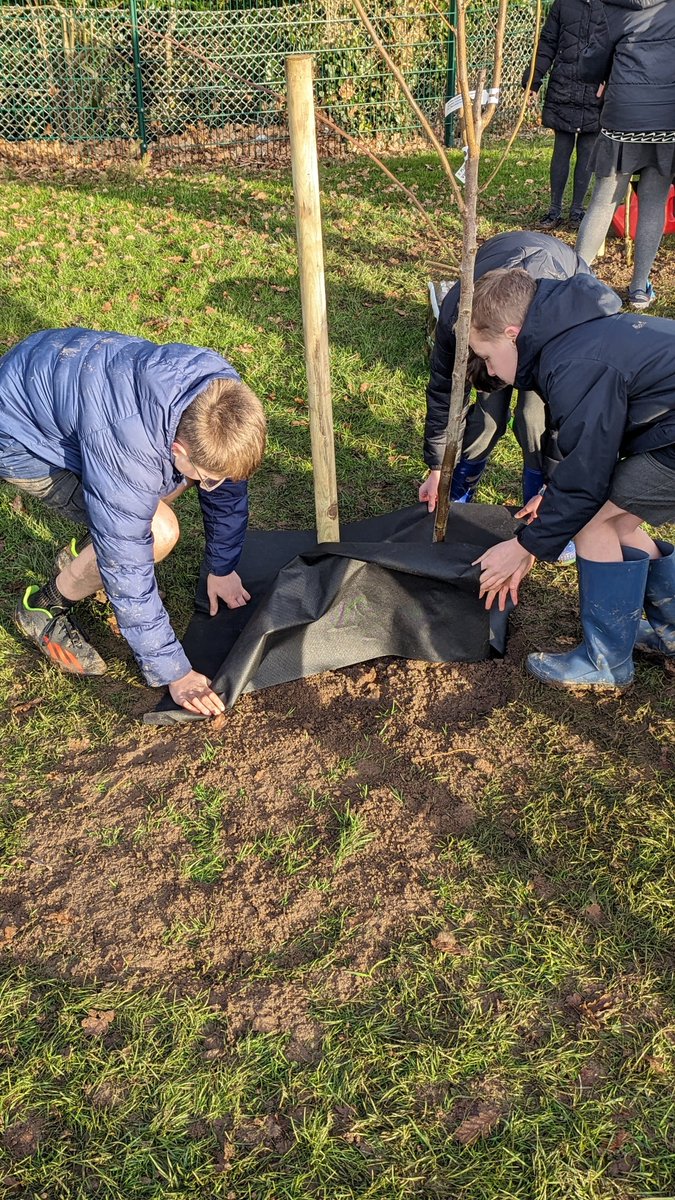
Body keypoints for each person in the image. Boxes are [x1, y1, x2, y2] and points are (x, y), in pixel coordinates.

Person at [0, 327, 266, 717]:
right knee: (156, 533)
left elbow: (226, 480)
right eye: (209, 479)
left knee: (157, 494)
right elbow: (127, 562)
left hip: (57, 369)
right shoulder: (129, 454)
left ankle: (89, 552)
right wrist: (174, 671)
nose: (214, 487)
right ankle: (42, 605)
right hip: (19, 434)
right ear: (178, 448)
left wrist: (222, 567)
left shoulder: (217, 394)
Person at [468, 267, 675, 690]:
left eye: (486, 357)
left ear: (511, 333)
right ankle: (671, 632)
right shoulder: (579, 335)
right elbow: (584, 440)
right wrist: (552, 487)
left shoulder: (574, 361)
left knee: (594, 520)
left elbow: (586, 483)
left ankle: (606, 663)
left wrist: (525, 546)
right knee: (618, 518)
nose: (489, 370)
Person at [420, 231, 592, 565]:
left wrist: (553, 491)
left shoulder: (561, 335)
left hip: (559, 283)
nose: (494, 373)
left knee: (533, 416)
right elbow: (443, 392)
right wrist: (438, 464)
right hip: (502, 290)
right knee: (487, 418)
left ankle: (539, 502)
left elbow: (566, 417)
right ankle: (461, 487)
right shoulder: (456, 318)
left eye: (493, 366)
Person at [575, 0, 675, 309]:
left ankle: (577, 280)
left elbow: (592, 62)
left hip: (623, 116)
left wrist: (599, 73)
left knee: (604, 201)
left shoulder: (612, 7)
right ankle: (639, 289)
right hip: (667, 117)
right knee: (654, 200)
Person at [523, 0, 604, 230]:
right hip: (564, 88)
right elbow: (547, 42)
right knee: (561, 151)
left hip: (595, 93)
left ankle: (577, 212)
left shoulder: (610, 6)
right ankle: (554, 210)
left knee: (587, 153)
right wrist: (533, 79)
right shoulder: (563, 4)